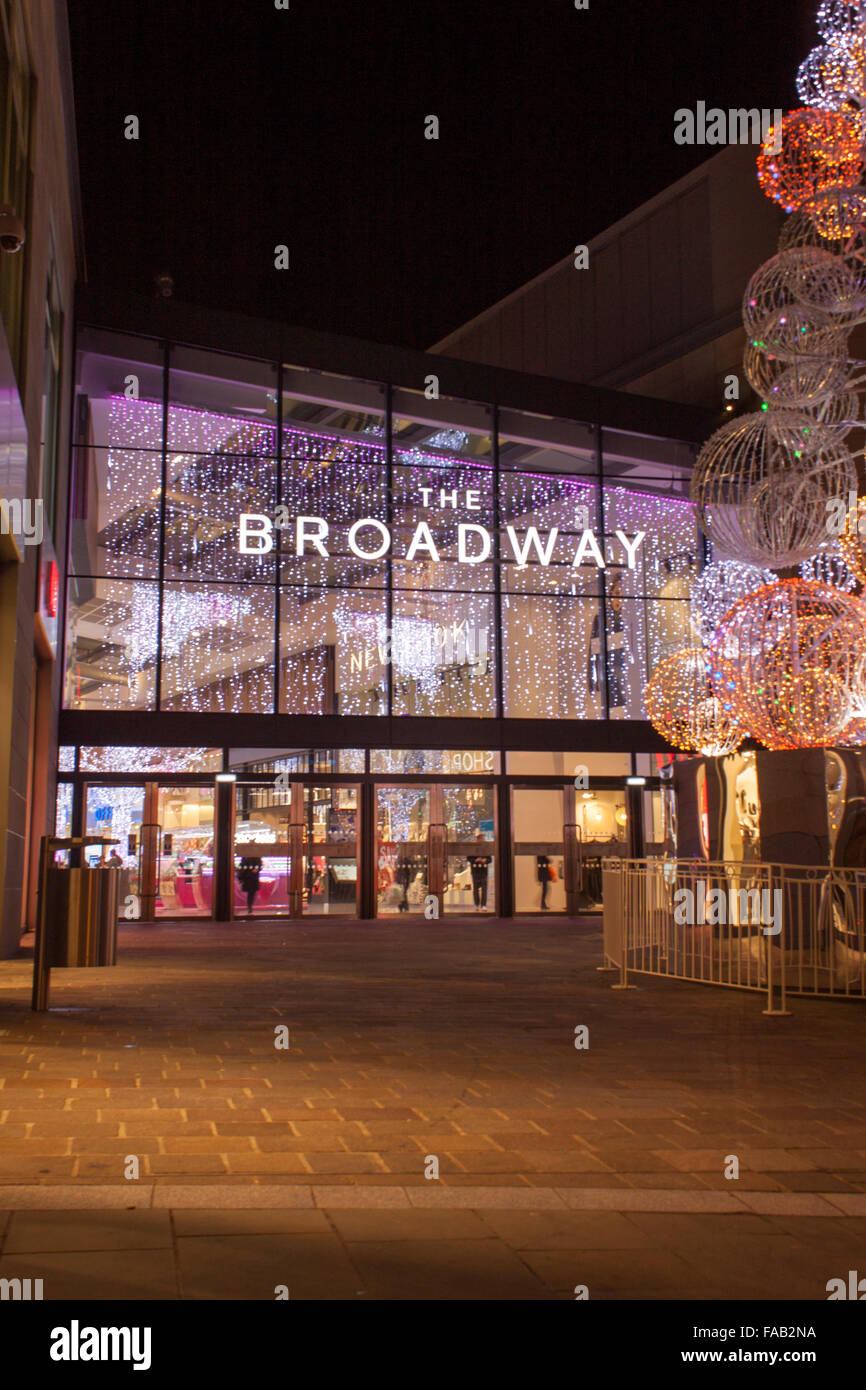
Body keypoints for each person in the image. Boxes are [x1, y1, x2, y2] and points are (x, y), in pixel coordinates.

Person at [467, 833, 492, 912]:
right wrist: (475, 860)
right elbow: (469, 858)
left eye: (484, 839)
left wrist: (485, 860)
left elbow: (489, 859)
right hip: (475, 870)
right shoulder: (473, 848)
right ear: (478, 840)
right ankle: (477, 905)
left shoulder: (486, 849)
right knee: (475, 889)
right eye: (482, 839)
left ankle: (483, 905)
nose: (483, 841)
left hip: (484, 871)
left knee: (484, 888)